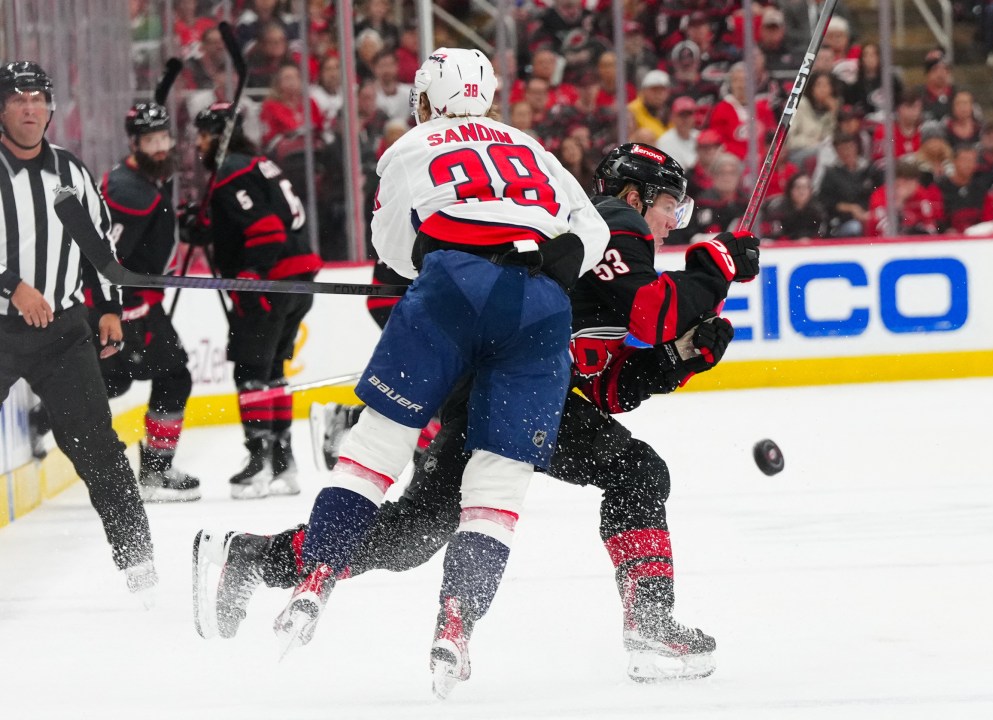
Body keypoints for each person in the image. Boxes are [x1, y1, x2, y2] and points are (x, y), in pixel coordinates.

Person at [194, 142, 761, 685]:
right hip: (517, 388)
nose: (674, 222)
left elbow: (609, 387)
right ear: (636, 196)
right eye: (671, 206)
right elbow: (650, 312)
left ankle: (251, 557)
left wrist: (676, 360)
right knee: (637, 472)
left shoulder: (614, 247)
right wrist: (715, 267)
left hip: (513, 391)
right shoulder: (614, 220)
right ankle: (650, 624)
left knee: (413, 534)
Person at [193, 47, 611, 698]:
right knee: (496, 495)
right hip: (539, 312)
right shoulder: (532, 148)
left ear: (426, 99)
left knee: (373, 455)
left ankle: (315, 576)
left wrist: (440, 266)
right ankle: (456, 622)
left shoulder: (413, 145)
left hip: (451, 294)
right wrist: (547, 264)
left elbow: (391, 249)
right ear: (490, 97)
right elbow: (590, 232)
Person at [0, 61, 156, 598]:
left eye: (38, 99)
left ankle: (139, 563)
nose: (29, 109)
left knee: (98, 447)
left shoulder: (69, 172)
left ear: (49, 108)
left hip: (63, 332)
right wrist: (11, 286)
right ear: (1, 108)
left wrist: (109, 306)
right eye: (18, 99)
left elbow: (98, 246)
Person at [191, 101, 323, 499]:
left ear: (217, 135)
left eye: (202, 135)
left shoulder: (230, 169)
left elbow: (266, 230)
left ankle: (258, 464)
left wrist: (250, 278)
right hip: (299, 280)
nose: (198, 144)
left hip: (270, 283)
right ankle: (284, 463)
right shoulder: (258, 162)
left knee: (250, 371)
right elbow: (248, 221)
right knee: (274, 370)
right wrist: (203, 226)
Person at [96, 101, 201, 501]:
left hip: (138, 303)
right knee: (166, 376)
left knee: (120, 379)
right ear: (135, 143)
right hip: (127, 309)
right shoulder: (129, 191)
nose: (161, 147)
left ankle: (156, 469)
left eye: (165, 138)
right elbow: (105, 258)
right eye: (152, 140)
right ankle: (156, 475)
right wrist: (114, 308)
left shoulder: (145, 180)